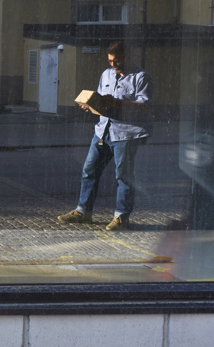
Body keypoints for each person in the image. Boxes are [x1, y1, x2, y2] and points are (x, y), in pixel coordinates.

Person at [57, 41, 150, 231]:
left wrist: (117, 103)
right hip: (102, 130)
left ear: (128, 56)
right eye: (110, 61)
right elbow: (100, 100)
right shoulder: (106, 74)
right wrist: (90, 105)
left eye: (117, 61)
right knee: (89, 171)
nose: (113, 65)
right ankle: (83, 212)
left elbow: (145, 106)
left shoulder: (141, 77)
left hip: (125, 133)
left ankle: (121, 217)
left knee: (123, 177)